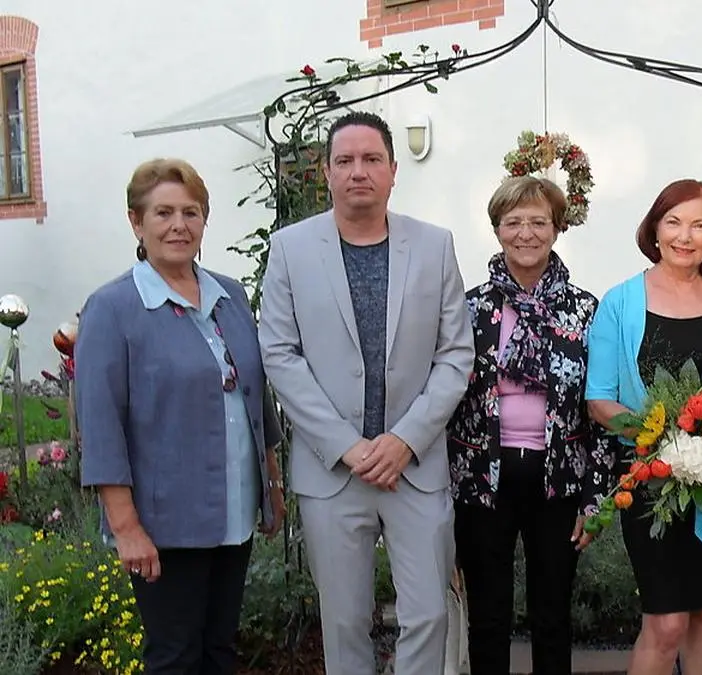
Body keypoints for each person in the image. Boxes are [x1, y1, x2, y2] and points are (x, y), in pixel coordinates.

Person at [258, 111, 474, 675]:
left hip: (415, 467)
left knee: (429, 615)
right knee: (345, 622)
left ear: (393, 171)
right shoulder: (290, 249)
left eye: (371, 159)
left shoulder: (434, 246)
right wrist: (347, 446)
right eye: (345, 161)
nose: (359, 171)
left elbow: (455, 354)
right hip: (334, 472)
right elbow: (280, 354)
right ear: (326, 173)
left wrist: (404, 439)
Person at [76, 158, 286, 675]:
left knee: (219, 649)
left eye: (191, 212)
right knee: (174, 657)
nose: (178, 225)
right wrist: (126, 528)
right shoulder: (112, 308)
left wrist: (272, 484)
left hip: (233, 511)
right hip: (166, 521)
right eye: (163, 212)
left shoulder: (230, 295)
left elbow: (255, 393)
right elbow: (101, 425)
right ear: (136, 222)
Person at [585, 178, 702, 675]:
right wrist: (659, 435)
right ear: (655, 228)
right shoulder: (619, 303)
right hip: (650, 483)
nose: (685, 236)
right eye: (674, 222)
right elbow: (599, 399)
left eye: (699, 225)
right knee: (666, 623)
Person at [447, 176, 614, 674]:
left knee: (552, 614)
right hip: (482, 480)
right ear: (497, 229)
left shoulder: (585, 309)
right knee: (488, 616)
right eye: (513, 221)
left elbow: (600, 404)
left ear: (557, 229)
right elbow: (445, 397)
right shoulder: (468, 308)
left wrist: (595, 496)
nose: (526, 232)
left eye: (538, 221)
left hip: (558, 478)